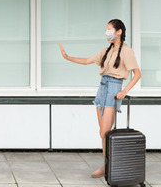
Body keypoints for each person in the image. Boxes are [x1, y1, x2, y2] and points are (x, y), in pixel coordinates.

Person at [59, 19, 141, 178]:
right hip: (102, 87)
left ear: (119, 32)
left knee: (105, 131)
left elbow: (137, 74)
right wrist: (67, 57)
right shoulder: (106, 50)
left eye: (110, 30)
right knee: (102, 133)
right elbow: (87, 61)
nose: (107, 33)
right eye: (106, 30)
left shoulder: (126, 51)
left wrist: (124, 91)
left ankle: (110, 166)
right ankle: (107, 165)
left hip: (114, 87)